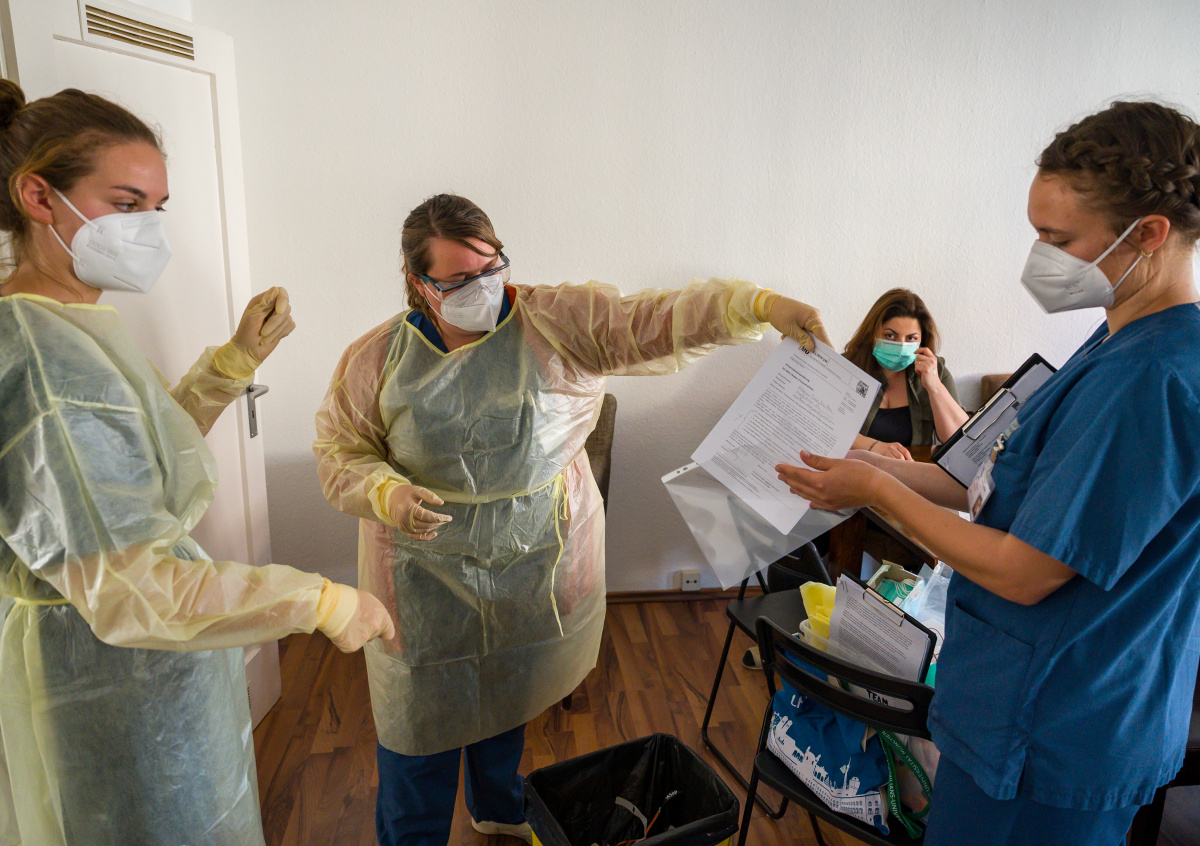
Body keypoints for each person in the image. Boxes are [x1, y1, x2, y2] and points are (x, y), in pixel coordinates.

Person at [313, 193, 830, 846]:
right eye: (460, 280)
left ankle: (498, 806)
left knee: (508, 692)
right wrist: (385, 492)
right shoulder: (378, 359)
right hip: (422, 578)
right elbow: (340, 450)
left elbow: (653, 320)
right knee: (419, 732)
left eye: (492, 267)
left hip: (531, 558)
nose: (484, 288)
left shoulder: (554, 322)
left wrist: (757, 306)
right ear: (420, 284)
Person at [777, 100, 1200, 846]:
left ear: (1148, 234)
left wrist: (878, 491)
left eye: (1058, 239)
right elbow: (991, 478)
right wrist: (873, 463)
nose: (1040, 257)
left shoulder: (1151, 379)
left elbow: (1025, 572)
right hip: (1016, 703)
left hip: (1055, 727)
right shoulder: (1114, 339)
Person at [0, 81, 393, 846]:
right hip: (106, 684)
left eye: (158, 207)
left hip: (146, 669)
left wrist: (236, 360)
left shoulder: (73, 324)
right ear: (39, 197)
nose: (148, 229)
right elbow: (128, 588)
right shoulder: (42, 360)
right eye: (126, 204)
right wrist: (318, 601)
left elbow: (140, 459)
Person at [846, 288, 967, 460]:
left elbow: (960, 439)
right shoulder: (845, 367)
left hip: (910, 471)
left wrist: (934, 386)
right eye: (890, 336)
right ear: (872, 333)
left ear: (922, 340)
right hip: (854, 469)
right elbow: (824, 425)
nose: (901, 346)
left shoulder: (935, 370)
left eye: (911, 338)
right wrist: (874, 447)